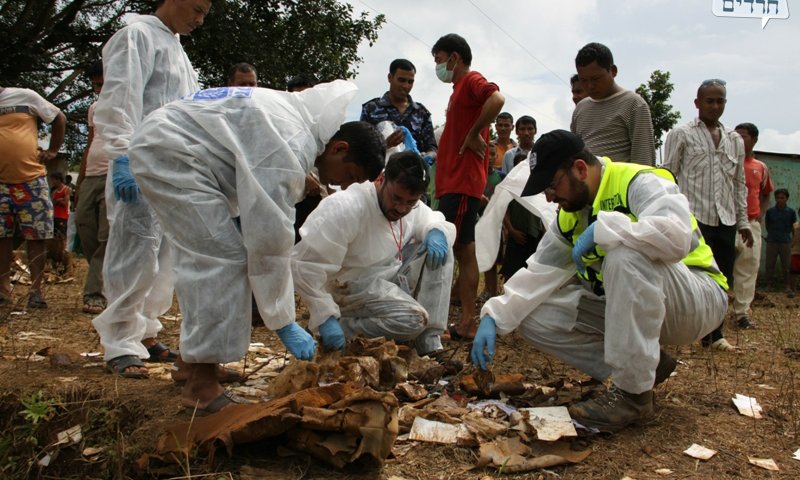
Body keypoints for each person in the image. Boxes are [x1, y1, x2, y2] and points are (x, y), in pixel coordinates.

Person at [129, 81, 386, 413]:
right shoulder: (290, 141)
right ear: (338, 148)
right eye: (347, 174)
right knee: (220, 259)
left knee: (213, 256)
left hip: (170, 143)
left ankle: (190, 364)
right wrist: (282, 320)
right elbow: (269, 237)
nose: (339, 185)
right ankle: (201, 387)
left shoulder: (294, 122)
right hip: (172, 152)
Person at [471, 130, 728, 432]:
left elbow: (676, 237)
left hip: (697, 298)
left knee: (623, 253)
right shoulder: (569, 216)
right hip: (649, 304)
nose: (550, 198)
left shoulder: (639, 181)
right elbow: (538, 272)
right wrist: (493, 315)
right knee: (531, 315)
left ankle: (632, 396)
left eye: (552, 185)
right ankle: (647, 365)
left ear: (580, 169)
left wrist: (607, 229)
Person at [91, 0, 212, 379]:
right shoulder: (137, 36)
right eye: (196, 9)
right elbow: (120, 100)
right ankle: (120, 340)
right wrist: (122, 155)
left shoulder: (177, 48)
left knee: (163, 256)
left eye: (205, 13)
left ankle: (145, 331)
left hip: (172, 166)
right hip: (140, 161)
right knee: (134, 250)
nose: (199, 20)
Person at [292, 151, 455, 355]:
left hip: (385, 279)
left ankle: (428, 340)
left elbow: (431, 217)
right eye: (396, 198)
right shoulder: (347, 206)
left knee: (441, 243)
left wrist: (436, 231)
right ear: (381, 179)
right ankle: (340, 329)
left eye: (410, 202)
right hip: (348, 288)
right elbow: (306, 265)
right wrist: (323, 315)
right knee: (413, 319)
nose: (401, 208)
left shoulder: (411, 207)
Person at [663, 79, 752, 351]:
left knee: (721, 278)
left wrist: (743, 221)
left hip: (724, 218)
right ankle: (683, 331)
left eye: (720, 100)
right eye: (709, 100)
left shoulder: (734, 139)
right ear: (697, 103)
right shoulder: (682, 134)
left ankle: (714, 335)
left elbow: (739, 183)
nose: (715, 106)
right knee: (688, 277)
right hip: (692, 217)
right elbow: (667, 175)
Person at [431, 33, 505, 340]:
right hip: (453, 181)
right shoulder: (456, 90)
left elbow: (497, 98)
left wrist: (475, 133)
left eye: (439, 60)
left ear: (454, 58)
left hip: (462, 183)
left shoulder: (472, 80)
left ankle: (466, 322)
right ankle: (466, 320)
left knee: (458, 250)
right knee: (466, 251)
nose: (438, 67)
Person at [0, 85, 65, 308]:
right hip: (0, 184)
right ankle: (4, 291)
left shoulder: (25, 96)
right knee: (1, 237)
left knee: (36, 236)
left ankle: (36, 291)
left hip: (31, 180)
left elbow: (58, 118)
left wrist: (53, 150)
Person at [571, 42, 655, 166]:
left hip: (621, 184)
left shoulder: (634, 104)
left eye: (596, 79)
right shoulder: (580, 109)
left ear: (613, 71)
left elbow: (644, 162)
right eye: (584, 80)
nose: (590, 86)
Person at [75, 60, 109, 314]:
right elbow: (90, 143)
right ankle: (101, 280)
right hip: (91, 177)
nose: (98, 89)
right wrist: (80, 180)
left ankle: (95, 294)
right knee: (86, 230)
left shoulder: (128, 106)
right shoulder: (95, 108)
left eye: (102, 84)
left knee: (105, 238)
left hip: (113, 175)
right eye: (95, 85)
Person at [731, 122, 773, 328]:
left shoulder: (761, 167)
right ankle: (713, 313)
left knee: (748, 269)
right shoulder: (727, 163)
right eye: (735, 136)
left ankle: (741, 314)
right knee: (719, 266)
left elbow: (766, 193)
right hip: (727, 223)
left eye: (743, 136)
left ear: (754, 140)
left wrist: (760, 215)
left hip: (751, 223)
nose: (738, 140)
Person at [360, 59, 438, 161]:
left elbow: (432, 148)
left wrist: (428, 156)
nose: (406, 86)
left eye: (410, 82)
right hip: (381, 173)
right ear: (390, 78)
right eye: (401, 80)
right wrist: (385, 145)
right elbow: (360, 148)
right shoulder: (371, 109)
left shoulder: (421, 112)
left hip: (414, 173)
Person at [764, 189, 796, 293]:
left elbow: (793, 227)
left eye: (782, 198)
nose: (779, 200)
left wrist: (792, 241)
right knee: (769, 264)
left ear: (786, 199)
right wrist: (772, 235)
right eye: (777, 198)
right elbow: (767, 225)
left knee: (786, 265)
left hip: (785, 242)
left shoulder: (791, 212)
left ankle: (787, 286)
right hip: (772, 241)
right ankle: (769, 285)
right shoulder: (770, 212)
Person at [47, 171, 73, 276]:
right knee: (53, 239)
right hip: (55, 216)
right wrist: (58, 200)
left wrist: (58, 200)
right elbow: (52, 202)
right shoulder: (54, 191)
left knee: (62, 239)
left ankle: (65, 262)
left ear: (58, 179)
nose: (52, 182)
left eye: (53, 179)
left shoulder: (67, 189)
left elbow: (65, 202)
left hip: (63, 217)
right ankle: (54, 262)